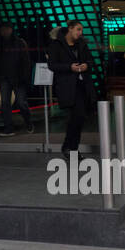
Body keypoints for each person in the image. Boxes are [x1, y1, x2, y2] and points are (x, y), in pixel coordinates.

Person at [47, 20, 97, 156]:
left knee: (78, 118)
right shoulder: (56, 45)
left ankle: (69, 147)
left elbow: (90, 61)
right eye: (78, 29)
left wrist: (86, 65)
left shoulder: (82, 44)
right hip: (67, 87)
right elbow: (52, 65)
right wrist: (69, 67)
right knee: (77, 117)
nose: (80, 33)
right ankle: (71, 148)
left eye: (81, 30)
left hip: (82, 85)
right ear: (70, 29)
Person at [0, 22, 32, 136]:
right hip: (5, 78)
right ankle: (8, 128)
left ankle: (28, 122)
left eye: (7, 29)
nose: (5, 31)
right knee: (5, 103)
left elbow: (26, 62)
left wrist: (25, 78)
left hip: (19, 78)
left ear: (11, 30)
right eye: (3, 29)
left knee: (21, 103)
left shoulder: (20, 43)